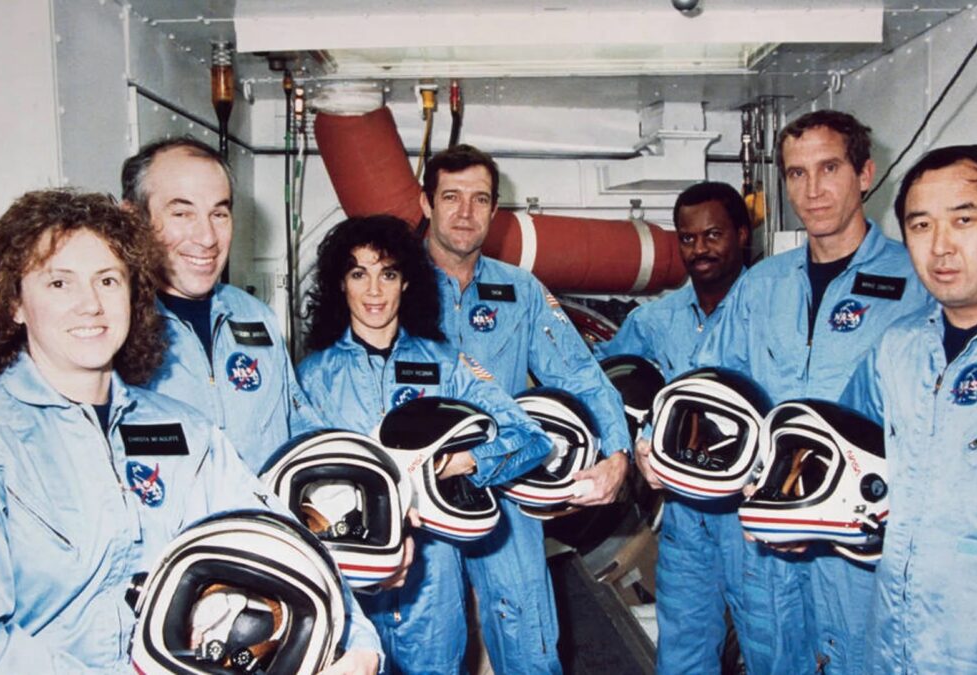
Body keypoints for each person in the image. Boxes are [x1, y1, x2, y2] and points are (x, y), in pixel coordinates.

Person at [0, 189, 380, 674]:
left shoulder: (187, 432)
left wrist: (356, 641)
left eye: (108, 280)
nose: (91, 305)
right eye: (60, 283)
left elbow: (278, 537)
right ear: (15, 302)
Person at [697, 110, 931, 674]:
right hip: (771, 534)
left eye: (829, 168)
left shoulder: (918, 283)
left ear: (865, 174)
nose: (813, 190)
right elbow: (712, 385)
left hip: (862, 544)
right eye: (797, 174)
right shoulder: (761, 285)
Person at [296, 214, 553, 674]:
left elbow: (531, 439)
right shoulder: (313, 377)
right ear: (340, 283)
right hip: (348, 578)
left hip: (432, 581)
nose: (374, 291)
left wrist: (461, 462)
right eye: (359, 274)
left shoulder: (446, 364)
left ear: (407, 281)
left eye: (388, 274)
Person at [420, 144, 633, 673]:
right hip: (420, 494)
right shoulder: (392, 285)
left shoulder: (519, 290)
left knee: (531, 647)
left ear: (495, 210)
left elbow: (580, 374)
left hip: (506, 485)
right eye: (451, 197)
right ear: (426, 204)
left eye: (479, 199)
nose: (465, 213)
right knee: (425, 651)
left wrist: (618, 453)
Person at [841, 145, 977, 673]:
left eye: (963, 220)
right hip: (897, 647)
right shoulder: (900, 347)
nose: (940, 247)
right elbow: (845, 448)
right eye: (920, 225)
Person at [600, 181, 751, 674]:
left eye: (713, 235)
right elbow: (607, 385)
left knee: (773, 647)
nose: (700, 249)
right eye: (688, 238)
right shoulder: (655, 320)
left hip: (754, 513)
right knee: (683, 650)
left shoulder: (771, 308)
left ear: (742, 235)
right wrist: (635, 442)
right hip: (684, 515)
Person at [121, 137, 319, 471]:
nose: (208, 238)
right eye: (182, 213)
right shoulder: (112, 328)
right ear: (132, 219)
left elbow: (299, 424)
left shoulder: (255, 315)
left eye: (219, 213)